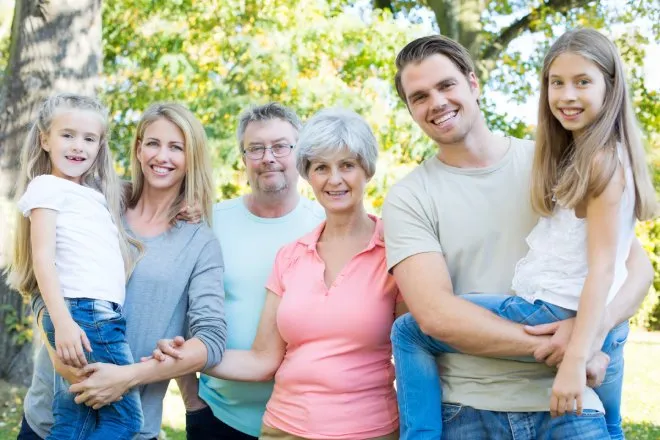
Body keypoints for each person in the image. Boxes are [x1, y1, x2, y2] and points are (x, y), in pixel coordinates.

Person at [389, 28, 657, 440]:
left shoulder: (556, 162)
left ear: (473, 83)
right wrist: (571, 345)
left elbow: (632, 267)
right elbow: (435, 314)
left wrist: (591, 333)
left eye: (446, 85)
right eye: (419, 96)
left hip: (569, 398)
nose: (437, 102)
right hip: (469, 409)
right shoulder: (409, 196)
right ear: (409, 109)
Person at [157, 108, 404, 439]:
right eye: (321, 168)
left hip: (369, 428)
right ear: (309, 174)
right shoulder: (290, 255)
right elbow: (262, 359)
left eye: (347, 165)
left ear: (367, 170)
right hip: (274, 426)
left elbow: (417, 350)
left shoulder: (396, 249)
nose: (334, 179)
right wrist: (183, 359)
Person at [18, 102, 227, 440]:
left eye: (177, 147)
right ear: (138, 148)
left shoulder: (200, 242)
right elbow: (37, 278)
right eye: (153, 143)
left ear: (192, 158)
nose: (163, 156)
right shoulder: (98, 202)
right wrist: (60, 353)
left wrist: (128, 376)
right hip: (50, 414)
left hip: (128, 426)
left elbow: (211, 341)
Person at [180, 102, 324, 440]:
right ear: (243, 159)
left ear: (300, 153)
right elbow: (177, 309)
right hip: (217, 416)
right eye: (255, 148)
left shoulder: (326, 225)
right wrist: (191, 400)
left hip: (306, 421)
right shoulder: (210, 223)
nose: (268, 157)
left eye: (280, 146)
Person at [7, 93, 142, 439]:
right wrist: (64, 323)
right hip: (84, 315)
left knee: (73, 420)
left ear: (100, 145)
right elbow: (42, 257)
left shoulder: (94, 195)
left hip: (91, 314)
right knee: (126, 420)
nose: (78, 146)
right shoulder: (46, 187)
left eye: (89, 138)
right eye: (67, 135)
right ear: (45, 140)